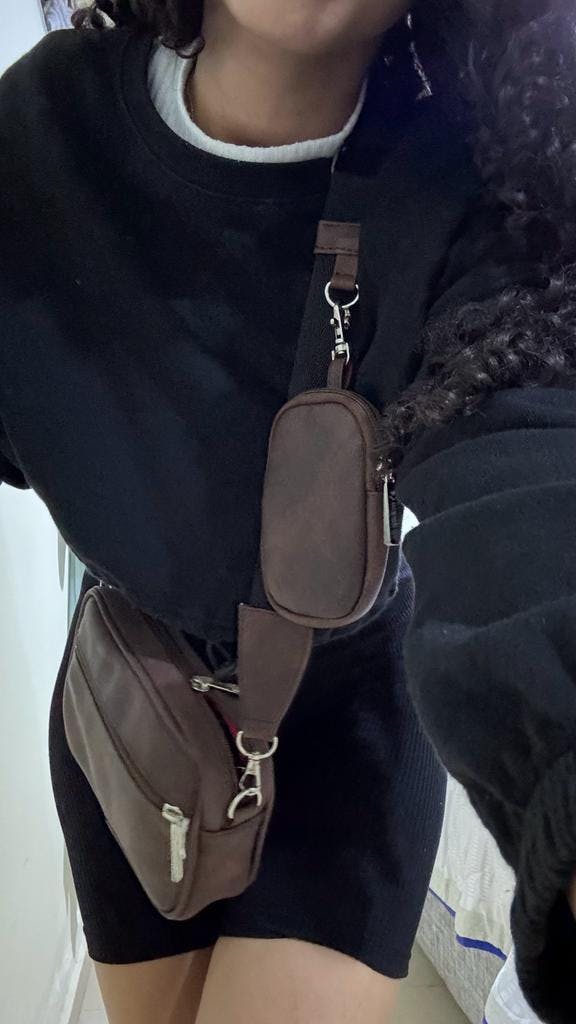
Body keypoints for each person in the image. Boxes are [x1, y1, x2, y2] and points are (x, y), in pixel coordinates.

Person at [1, 0, 575, 1022]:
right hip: (134, 702)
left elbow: (526, 472)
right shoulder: (38, 127)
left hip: (344, 736)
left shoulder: (466, 189)